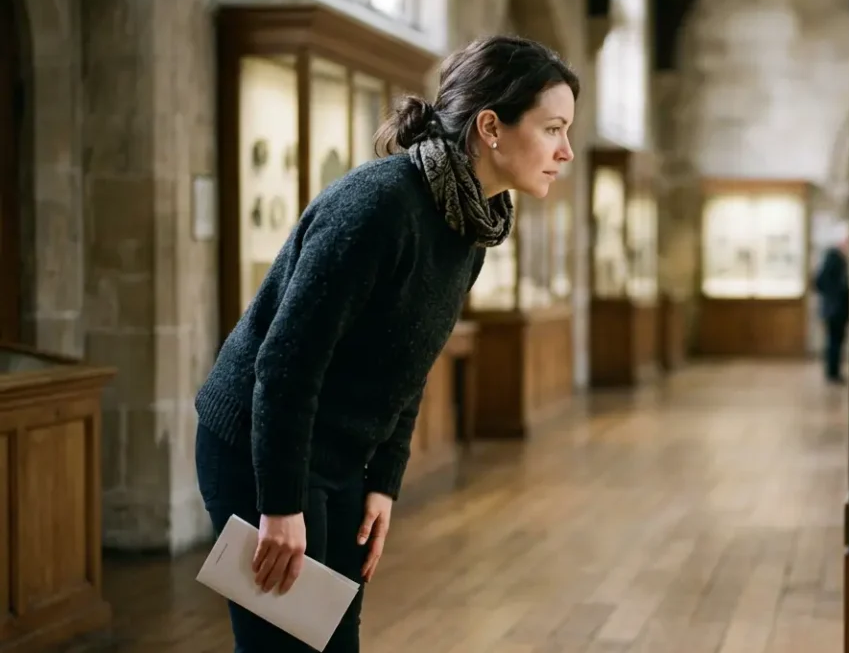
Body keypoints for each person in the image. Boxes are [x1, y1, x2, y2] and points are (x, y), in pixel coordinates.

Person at [192, 35, 579, 652]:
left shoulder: (470, 226)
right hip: (257, 446)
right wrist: (281, 503)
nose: (566, 151)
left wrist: (383, 481)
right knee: (283, 647)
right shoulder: (378, 205)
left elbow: (410, 364)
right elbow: (287, 363)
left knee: (334, 643)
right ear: (491, 127)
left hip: (339, 457)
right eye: (553, 129)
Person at [814, 226, 849, 384]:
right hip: (834, 309)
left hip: (837, 308)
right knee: (834, 341)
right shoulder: (834, 258)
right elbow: (820, 282)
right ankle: (832, 372)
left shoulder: (838, 258)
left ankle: (833, 371)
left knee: (836, 340)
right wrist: (838, 293)